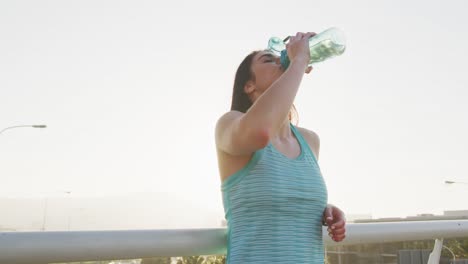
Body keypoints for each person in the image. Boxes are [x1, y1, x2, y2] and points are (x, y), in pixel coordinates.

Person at [215, 32, 346, 263]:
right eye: (268, 60)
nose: (279, 61)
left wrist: (323, 210)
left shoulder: (310, 140)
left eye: (280, 58)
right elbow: (261, 132)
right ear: (249, 85)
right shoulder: (228, 124)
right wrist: (298, 61)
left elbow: (282, 200)